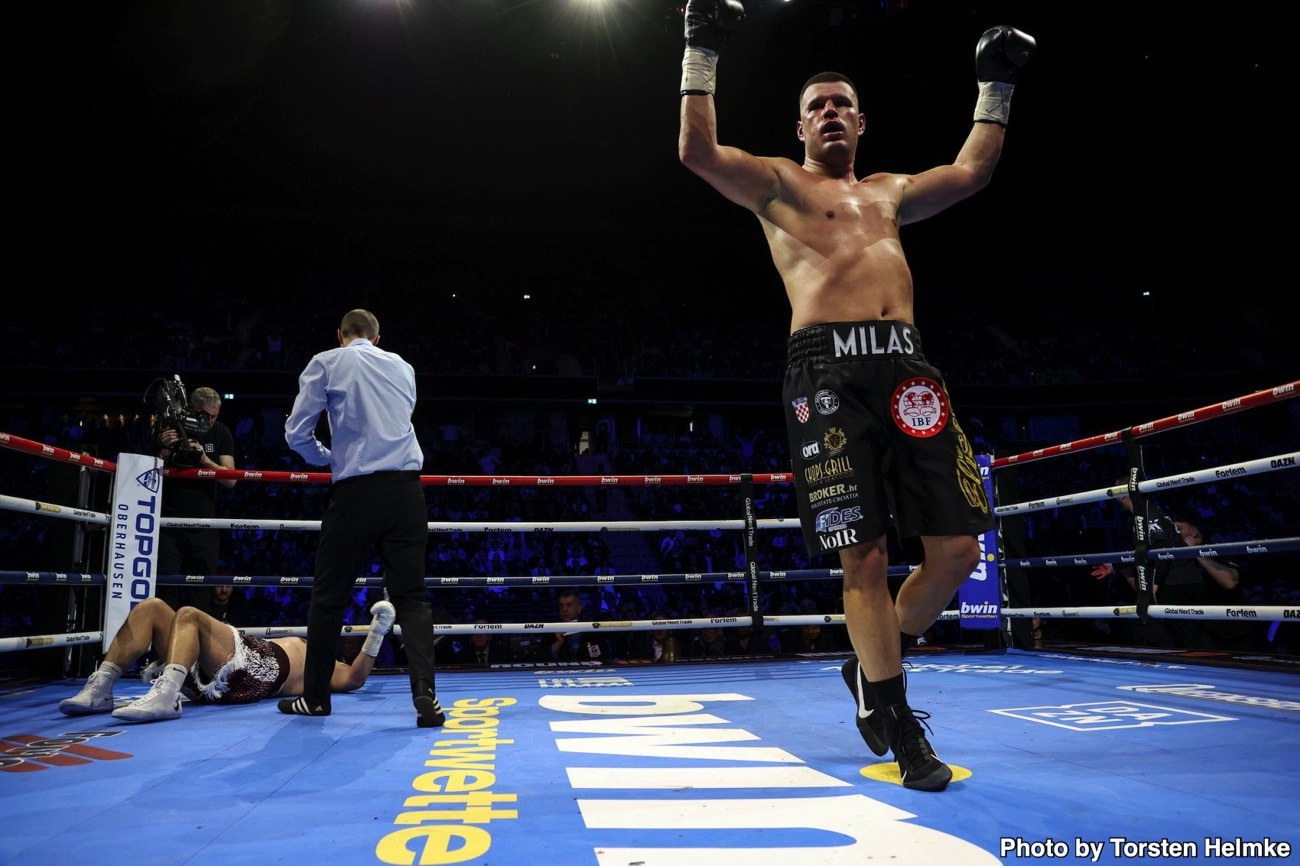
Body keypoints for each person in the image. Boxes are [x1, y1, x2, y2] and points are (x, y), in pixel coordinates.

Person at [677, 3, 1034, 791]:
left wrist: (995, 83)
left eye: (842, 104)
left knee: (958, 553)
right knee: (864, 557)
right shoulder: (777, 185)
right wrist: (701, 48)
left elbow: (972, 172)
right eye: (817, 107)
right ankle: (902, 728)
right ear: (800, 127)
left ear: (862, 122)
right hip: (826, 375)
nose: (830, 113)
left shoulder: (892, 192)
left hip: (910, 373)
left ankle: (870, 667)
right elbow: (697, 151)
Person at [282, 308, 444, 727]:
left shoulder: (328, 361)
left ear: (341, 335)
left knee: (330, 596)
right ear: (376, 337)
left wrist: (328, 458)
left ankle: (316, 698)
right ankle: (425, 691)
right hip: (407, 491)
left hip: (355, 492)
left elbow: (297, 432)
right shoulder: (403, 367)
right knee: (412, 597)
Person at [58, 596, 396, 722]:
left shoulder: (324, 664)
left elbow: (355, 678)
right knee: (151, 608)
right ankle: (101, 686)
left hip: (250, 672)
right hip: (222, 667)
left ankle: (165, 696)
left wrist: (376, 632)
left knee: (189, 615)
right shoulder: (308, 645)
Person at [155, 385, 236, 608]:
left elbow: (231, 479)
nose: (210, 421)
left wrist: (205, 460)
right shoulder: (167, 428)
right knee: (165, 593)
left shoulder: (220, 432)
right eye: (205, 415)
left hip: (204, 525)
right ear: (191, 409)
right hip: (169, 523)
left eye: (214, 416)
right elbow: (146, 472)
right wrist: (163, 450)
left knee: (200, 594)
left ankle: (195, 643)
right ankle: (165, 644)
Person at [546, 587, 609, 662]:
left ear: (579, 608)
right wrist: (558, 644)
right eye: (561, 605)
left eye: (569, 605)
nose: (564, 609)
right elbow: (541, 659)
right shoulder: (551, 629)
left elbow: (603, 657)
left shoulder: (591, 630)